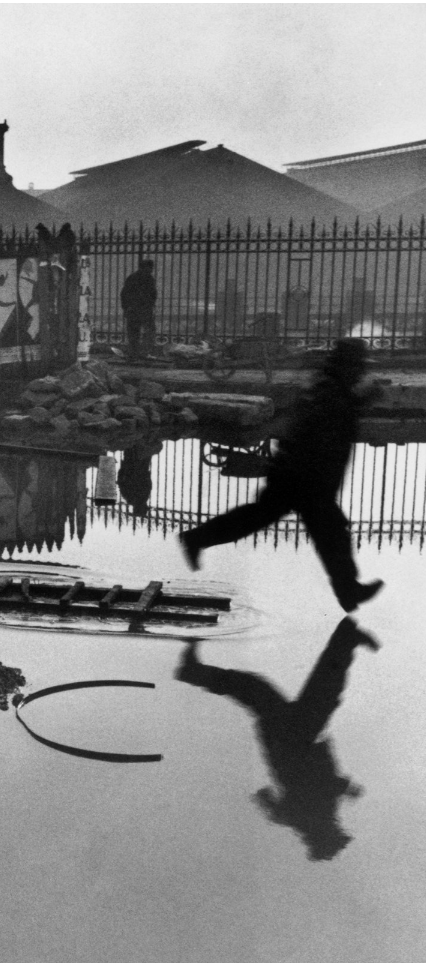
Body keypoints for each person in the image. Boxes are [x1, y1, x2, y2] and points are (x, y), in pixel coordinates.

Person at [179, 338, 384, 613]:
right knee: (331, 533)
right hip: (304, 479)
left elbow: (329, 413)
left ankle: (197, 538)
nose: (361, 372)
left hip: (298, 475)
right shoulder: (331, 392)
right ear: (349, 366)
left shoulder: (329, 386)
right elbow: (326, 424)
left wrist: (359, 400)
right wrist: (360, 400)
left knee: (267, 520)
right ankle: (349, 591)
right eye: (358, 366)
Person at [175, 618, 379, 861]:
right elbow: (273, 801)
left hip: (292, 741)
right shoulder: (307, 818)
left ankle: (347, 637)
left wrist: (346, 788)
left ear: (325, 834)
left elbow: (316, 789)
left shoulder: (312, 818)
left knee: (309, 690)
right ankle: (347, 637)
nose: (339, 828)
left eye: (337, 833)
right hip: (293, 740)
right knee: (304, 689)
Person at [120, 260, 157, 360]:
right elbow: (153, 294)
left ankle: (133, 353)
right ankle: (144, 353)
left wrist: (126, 307)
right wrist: (151, 305)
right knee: (148, 331)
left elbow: (124, 294)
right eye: (150, 267)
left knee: (133, 332)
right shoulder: (149, 279)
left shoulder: (132, 278)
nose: (151, 270)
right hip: (144, 309)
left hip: (133, 309)